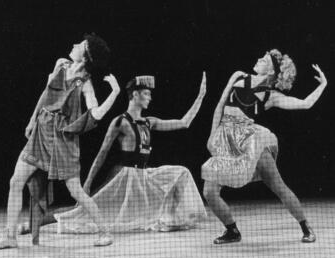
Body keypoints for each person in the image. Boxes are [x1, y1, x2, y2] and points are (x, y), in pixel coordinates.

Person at [0, 34, 120, 249]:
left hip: (63, 140)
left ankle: (105, 232)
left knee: (75, 190)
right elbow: (45, 95)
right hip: (42, 132)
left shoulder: (85, 83)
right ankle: (10, 237)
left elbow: (95, 114)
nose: (75, 44)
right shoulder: (61, 64)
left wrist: (114, 92)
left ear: (86, 56)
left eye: (81, 45)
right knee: (15, 181)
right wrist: (32, 120)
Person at [53, 74, 207, 233]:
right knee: (85, 212)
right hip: (129, 178)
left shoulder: (149, 121)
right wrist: (88, 182)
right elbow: (102, 153)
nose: (150, 98)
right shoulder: (120, 122)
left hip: (145, 176)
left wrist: (200, 96)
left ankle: (171, 218)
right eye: (146, 94)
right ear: (135, 94)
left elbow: (184, 123)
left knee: (182, 172)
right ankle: (38, 222)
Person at [201, 49, 327, 244]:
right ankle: (232, 231)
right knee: (209, 192)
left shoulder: (271, 96)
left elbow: (304, 104)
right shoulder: (238, 75)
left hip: (251, 141)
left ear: (271, 71)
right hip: (225, 139)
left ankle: (305, 227)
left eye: (264, 59)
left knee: (278, 186)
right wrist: (212, 136)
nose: (259, 59)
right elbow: (219, 106)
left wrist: (323, 85)